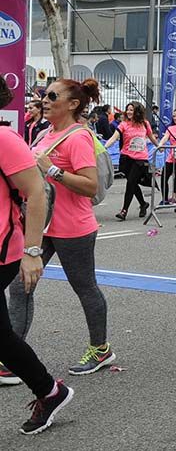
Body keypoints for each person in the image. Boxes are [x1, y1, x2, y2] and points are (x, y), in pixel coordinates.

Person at [8, 78, 116, 376]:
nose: (44, 99)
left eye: (52, 95)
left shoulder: (79, 137)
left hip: (73, 227)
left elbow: (90, 185)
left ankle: (101, 348)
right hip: (41, 226)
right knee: (20, 287)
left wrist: (52, 169)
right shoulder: (44, 133)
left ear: (73, 104)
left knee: (84, 287)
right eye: (44, 94)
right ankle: (14, 358)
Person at [0, 120, 75, 435]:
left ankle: (50, 391)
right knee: (2, 338)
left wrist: (33, 252)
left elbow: (36, 191)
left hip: (2, 250)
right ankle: (50, 391)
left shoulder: (4, 139)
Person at [103, 102, 155, 221]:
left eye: (132, 110)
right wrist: (104, 147)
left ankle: (124, 211)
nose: (129, 112)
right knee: (133, 183)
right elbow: (114, 137)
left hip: (140, 159)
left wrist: (160, 146)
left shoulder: (145, 124)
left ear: (138, 111)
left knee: (131, 182)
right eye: (128, 110)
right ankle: (143, 203)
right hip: (126, 158)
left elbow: (151, 137)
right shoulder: (124, 124)